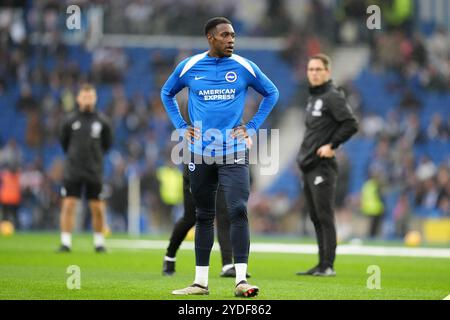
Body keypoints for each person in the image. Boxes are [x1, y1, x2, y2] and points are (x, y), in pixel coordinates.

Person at [161, 17, 279, 297]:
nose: (231, 40)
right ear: (210, 37)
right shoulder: (189, 67)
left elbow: (271, 93)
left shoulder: (244, 66)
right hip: (199, 154)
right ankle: (200, 283)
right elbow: (166, 93)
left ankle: (240, 281)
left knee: (238, 210)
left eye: (233, 35)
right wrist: (180, 126)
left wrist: (251, 127)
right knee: (203, 215)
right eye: (225, 35)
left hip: (233, 152)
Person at [296, 54, 358, 277]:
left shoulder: (332, 96)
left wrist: (332, 145)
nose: (313, 73)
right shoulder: (313, 97)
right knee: (315, 216)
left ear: (327, 72)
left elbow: (351, 123)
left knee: (324, 215)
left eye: (318, 69)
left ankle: (328, 265)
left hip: (322, 166)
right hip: (309, 166)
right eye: (310, 69)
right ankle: (321, 263)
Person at [162, 163, 252, 278]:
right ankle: (170, 257)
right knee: (191, 217)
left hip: (221, 162)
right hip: (197, 162)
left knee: (224, 215)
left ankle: (227, 264)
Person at [57, 83, 113, 253]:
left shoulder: (103, 121)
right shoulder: (69, 120)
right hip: (73, 170)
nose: (87, 99)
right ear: (78, 98)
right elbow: (64, 142)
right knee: (69, 205)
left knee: (97, 207)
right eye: (84, 96)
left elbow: (107, 144)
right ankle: (65, 242)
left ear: (95, 98)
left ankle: (99, 242)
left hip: (94, 171)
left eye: (90, 96)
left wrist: (94, 159)